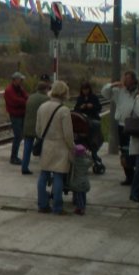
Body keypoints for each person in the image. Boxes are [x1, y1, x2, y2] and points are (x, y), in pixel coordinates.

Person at [35, 80, 74, 215]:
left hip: (46, 145)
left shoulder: (42, 107)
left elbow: (38, 130)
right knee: (58, 177)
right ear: (64, 93)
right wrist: (72, 147)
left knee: (43, 175)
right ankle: (57, 207)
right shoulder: (64, 110)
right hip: (60, 146)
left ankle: (42, 204)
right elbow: (68, 134)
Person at [101, 71, 138, 185]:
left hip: (136, 125)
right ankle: (129, 176)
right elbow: (104, 93)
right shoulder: (119, 91)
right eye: (124, 78)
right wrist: (112, 85)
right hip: (123, 125)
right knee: (124, 151)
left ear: (133, 80)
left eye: (128, 78)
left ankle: (137, 175)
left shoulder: (138, 91)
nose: (125, 80)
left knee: (136, 151)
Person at [21, 80, 51, 175]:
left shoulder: (30, 97)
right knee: (42, 148)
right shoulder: (46, 99)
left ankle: (24, 167)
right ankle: (44, 168)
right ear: (45, 89)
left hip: (28, 125)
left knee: (27, 148)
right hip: (39, 127)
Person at [4, 72, 28, 165]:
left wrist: (24, 100)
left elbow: (26, 97)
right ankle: (13, 157)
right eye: (20, 79)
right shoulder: (9, 90)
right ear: (14, 80)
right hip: (15, 115)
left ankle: (15, 156)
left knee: (20, 135)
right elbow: (16, 101)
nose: (21, 81)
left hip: (21, 114)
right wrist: (24, 101)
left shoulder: (19, 89)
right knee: (18, 136)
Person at [67, 144, 92, 215]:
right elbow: (91, 161)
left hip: (77, 182)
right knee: (83, 194)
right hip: (85, 181)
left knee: (79, 195)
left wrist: (71, 151)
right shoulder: (86, 162)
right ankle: (82, 206)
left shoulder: (75, 161)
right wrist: (87, 154)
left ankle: (81, 208)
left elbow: (69, 157)